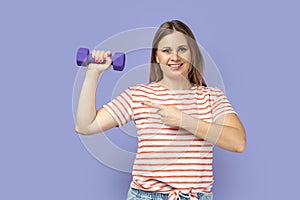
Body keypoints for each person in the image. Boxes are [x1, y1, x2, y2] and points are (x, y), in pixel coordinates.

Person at [75, 20, 246, 200]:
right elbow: (85, 125)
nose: (175, 57)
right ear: (157, 57)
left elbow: (238, 143)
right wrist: (93, 73)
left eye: (182, 49)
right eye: (166, 51)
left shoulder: (211, 97)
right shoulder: (138, 95)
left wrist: (183, 120)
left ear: (193, 54)